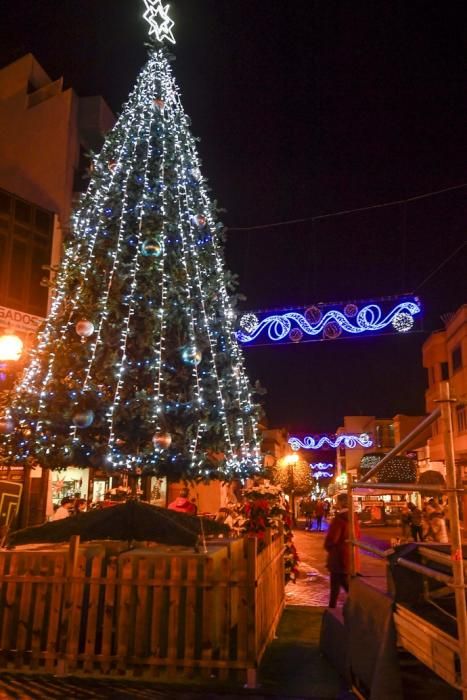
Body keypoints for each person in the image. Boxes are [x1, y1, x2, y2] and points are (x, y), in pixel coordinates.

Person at [324, 493, 360, 608]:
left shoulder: (339, 519)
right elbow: (357, 535)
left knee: (337, 587)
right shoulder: (353, 517)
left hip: (338, 557)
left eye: (337, 501)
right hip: (349, 555)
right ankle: (334, 607)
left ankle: (335, 609)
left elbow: (332, 538)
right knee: (341, 584)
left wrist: (328, 546)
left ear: (341, 503)